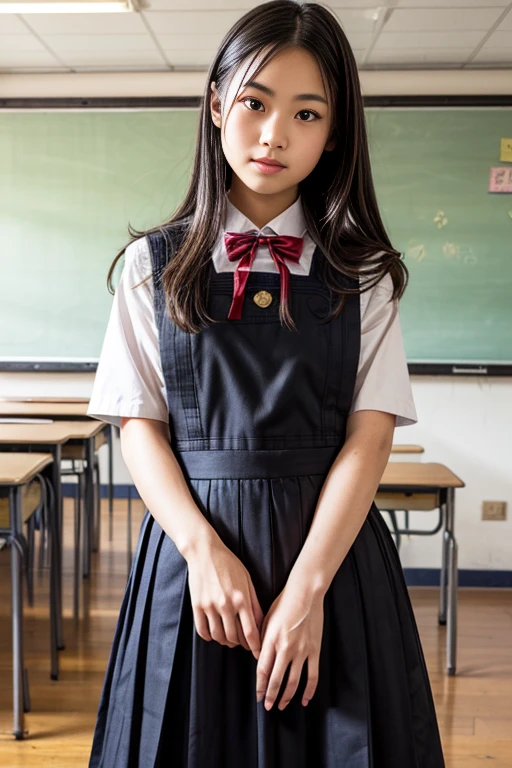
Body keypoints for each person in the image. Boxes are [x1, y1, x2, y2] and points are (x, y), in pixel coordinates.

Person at [86, 1, 445, 765]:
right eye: (254, 102)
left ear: (335, 131)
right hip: (193, 566)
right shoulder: (154, 266)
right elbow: (138, 425)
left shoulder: (364, 275)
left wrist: (309, 589)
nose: (275, 134)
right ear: (216, 104)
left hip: (330, 563)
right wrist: (201, 552)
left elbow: (369, 434)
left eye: (307, 113)